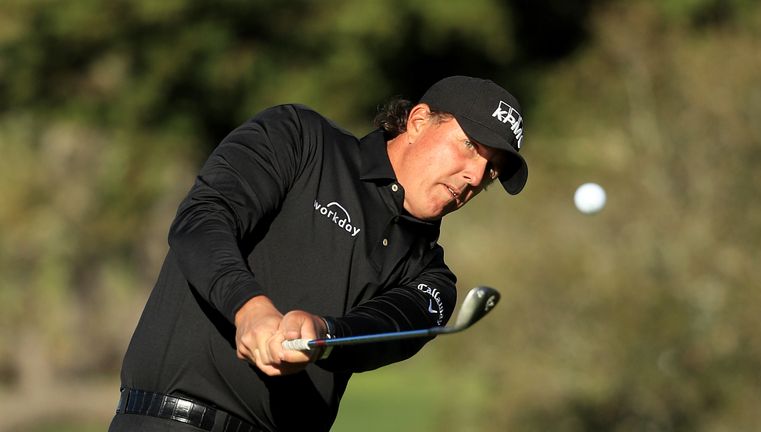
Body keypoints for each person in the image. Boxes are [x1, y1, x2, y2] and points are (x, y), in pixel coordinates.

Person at [109, 75, 527, 432]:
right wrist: (248, 308)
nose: (475, 175)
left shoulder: (432, 277)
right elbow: (202, 220)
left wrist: (324, 334)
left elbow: (383, 327)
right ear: (418, 121)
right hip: (170, 420)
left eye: (492, 170)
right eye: (470, 145)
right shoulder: (300, 138)